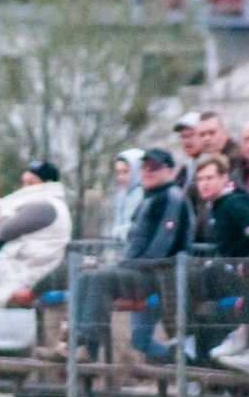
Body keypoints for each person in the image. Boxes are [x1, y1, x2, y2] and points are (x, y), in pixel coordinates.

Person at [64, 149, 192, 363]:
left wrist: (125, 265)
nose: (147, 171)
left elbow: (160, 249)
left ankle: (89, 347)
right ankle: (75, 342)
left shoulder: (172, 198)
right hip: (137, 270)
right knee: (84, 276)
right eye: (144, 166)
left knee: (100, 278)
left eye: (154, 167)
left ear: (169, 171)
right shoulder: (149, 198)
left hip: (160, 275)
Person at [187, 154, 249, 373]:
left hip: (244, 276)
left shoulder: (234, 202)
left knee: (189, 279)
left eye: (209, 178)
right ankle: (188, 342)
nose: (204, 184)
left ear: (224, 178)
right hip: (229, 273)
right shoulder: (215, 206)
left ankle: (185, 341)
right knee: (199, 299)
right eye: (200, 179)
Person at [0, 160, 71, 308]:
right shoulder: (48, 204)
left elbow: (5, 229)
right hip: (20, 267)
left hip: (25, 272)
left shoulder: (46, 206)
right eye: (24, 183)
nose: (25, 188)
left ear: (47, 183)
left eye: (31, 183)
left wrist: (5, 214)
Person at [108, 150, 144, 243]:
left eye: (125, 172)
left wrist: (117, 232)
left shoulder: (144, 195)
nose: (120, 177)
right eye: (118, 172)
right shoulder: (122, 194)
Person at [172, 111, 203, 189]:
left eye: (191, 135)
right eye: (183, 136)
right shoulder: (186, 167)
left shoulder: (213, 163)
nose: (186, 141)